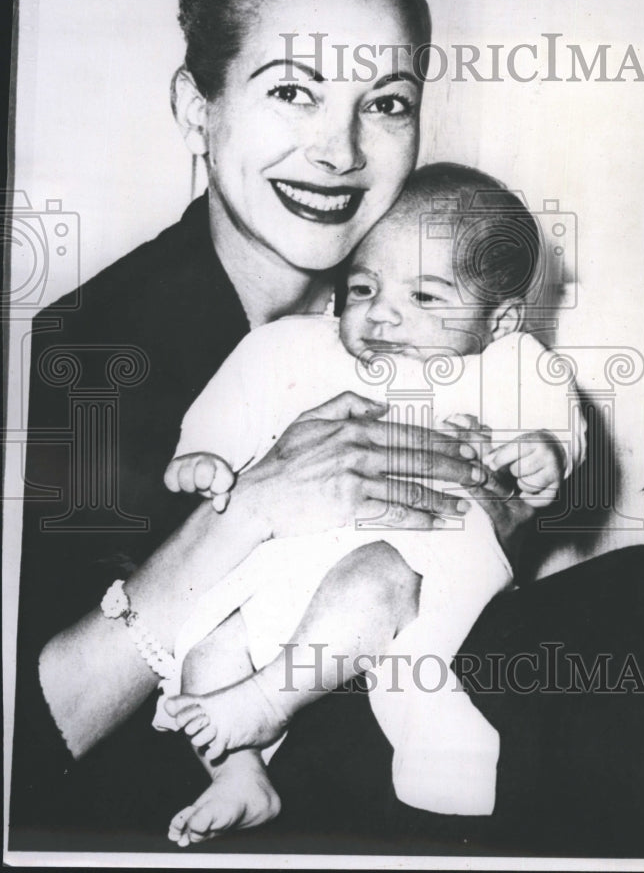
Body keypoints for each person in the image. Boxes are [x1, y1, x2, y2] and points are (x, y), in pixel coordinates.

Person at [10, 0, 644, 858]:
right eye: (292, 92)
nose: (341, 150)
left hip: (405, 698)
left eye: (386, 102)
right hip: (200, 795)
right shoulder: (93, 349)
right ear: (198, 105)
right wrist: (251, 506)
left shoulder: (434, 313)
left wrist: (506, 505)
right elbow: (35, 739)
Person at [157, 163, 587, 846]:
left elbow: (552, 429)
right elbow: (232, 402)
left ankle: (271, 703)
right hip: (288, 566)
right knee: (206, 648)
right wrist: (205, 456)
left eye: (423, 296)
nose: (380, 311)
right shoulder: (292, 347)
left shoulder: (509, 363)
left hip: (421, 555)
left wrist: (543, 453)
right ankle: (238, 777)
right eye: (361, 287)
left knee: (370, 586)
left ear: (498, 319)